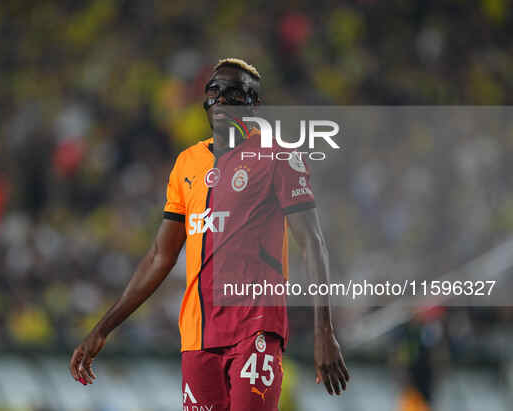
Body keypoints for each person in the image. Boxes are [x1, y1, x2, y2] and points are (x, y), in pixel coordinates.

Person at [70, 58, 349, 410]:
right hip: (198, 337)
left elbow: (313, 244)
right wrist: (103, 328)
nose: (221, 100)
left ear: (253, 106)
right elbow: (160, 256)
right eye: (214, 92)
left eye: (234, 94)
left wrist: (325, 332)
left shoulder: (278, 156)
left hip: (256, 329)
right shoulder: (187, 164)